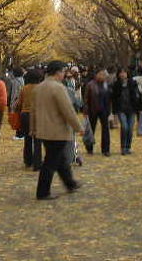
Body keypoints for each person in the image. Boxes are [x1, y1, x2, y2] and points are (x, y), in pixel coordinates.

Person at [31, 61, 84, 200]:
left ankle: (70, 183)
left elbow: (33, 111)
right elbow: (68, 111)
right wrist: (78, 127)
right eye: (63, 72)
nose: (64, 75)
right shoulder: (58, 88)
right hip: (57, 131)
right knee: (50, 162)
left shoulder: (38, 88)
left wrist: (33, 128)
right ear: (57, 72)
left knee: (60, 159)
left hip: (43, 130)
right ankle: (42, 192)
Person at [111, 68, 142, 155]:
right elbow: (113, 98)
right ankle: (123, 147)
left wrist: (139, 108)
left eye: (124, 72)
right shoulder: (116, 84)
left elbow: (136, 96)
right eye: (121, 72)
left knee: (130, 129)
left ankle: (128, 146)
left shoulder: (132, 83)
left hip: (131, 109)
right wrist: (114, 113)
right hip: (121, 109)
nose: (123, 74)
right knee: (124, 127)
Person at [18, 68, 43, 170]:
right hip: (37, 114)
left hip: (25, 114)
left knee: (27, 139)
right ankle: (37, 163)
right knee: (38, 140)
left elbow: (20, 102)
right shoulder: (41, 88)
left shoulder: (24, 88)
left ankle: (28, 160)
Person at [83, 68, 112, 156]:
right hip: (93, 110)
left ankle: (106, 149)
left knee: (105, 129)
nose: (102, 76)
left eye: (104, 75)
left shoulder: (106, 85)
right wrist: (85, 111)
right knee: (91, 129)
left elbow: (109, 98)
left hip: (104, 110)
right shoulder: (90, 85)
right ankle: (89, 147)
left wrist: (109, 110)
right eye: (101, 74)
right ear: (96, 75)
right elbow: (86, 99)